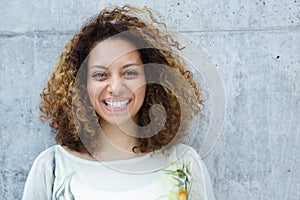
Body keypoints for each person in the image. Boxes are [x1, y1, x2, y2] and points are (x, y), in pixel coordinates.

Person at [22, 5, 215, 200]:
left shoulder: (184, 164)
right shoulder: (52, 167)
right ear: (81, 85)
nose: (116, 87)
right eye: (100, 75)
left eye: (130, 73)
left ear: (150, 79)